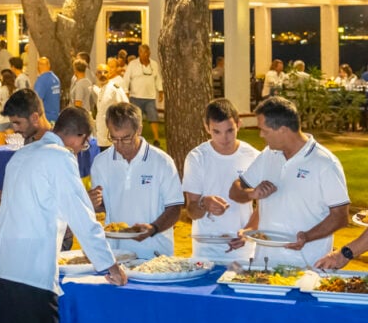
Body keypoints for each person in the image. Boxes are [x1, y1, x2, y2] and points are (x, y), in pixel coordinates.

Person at [0, 106, 127, 323]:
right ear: (78, 136)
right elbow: (82, 216)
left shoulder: (22, 154)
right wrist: (109, 264)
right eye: (84, 144)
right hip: (31, 273)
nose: (82, 149)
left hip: (1, 270)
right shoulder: (60, 158)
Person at [229, 95, 349, 267]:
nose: (261, 135)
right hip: (264, 264)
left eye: (265, 130)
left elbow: (340, 216)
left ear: (283, 130)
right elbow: (235, 190)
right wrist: (252, 194)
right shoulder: (268, 155)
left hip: (308, 266)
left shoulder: (325, 163)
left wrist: (307, 237)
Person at [90, 101, 183, 260]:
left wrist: (154, 228)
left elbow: (174, 207)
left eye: (126, 138)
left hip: (155, 255)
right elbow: (104, 206)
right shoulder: (100, 163)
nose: (119, 146)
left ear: (139, 130)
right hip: (117, 255)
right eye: (114, 138)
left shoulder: (162, 162)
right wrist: (93, 203)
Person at [182, 98, 260, 262]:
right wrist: (204, 203)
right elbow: (192, 210)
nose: (224, 138)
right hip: (205, 252)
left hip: (243, 252)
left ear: (239, 124)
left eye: (230, 130)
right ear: (206, 128)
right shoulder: (197, 158)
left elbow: (264, 207)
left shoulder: (254, 157)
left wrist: (249, 230)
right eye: (217, 132)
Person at [121, 44, 163, 145]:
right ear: (139, 53)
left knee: (153, 117)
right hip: (136, 96)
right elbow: (126, 79)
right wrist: (126, 92)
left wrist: (160, 91)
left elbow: (158, 79)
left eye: (147, 52)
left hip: (150, 97)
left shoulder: (154, 64)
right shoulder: (133, 64)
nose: (146, 55)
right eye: (143, 52)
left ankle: (156, 139)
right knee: (135, 118)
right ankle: (135, 137)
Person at [93, 62, 128, 147]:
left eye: (105, 72)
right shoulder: (102, 89)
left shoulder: (114, 88)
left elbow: (126, 106)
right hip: (102, 132)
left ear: (110, 73)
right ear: (96, 74)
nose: (103, 74)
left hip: (111, 133)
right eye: (100, 72)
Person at [33, 57, 61, 123]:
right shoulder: (56, 78)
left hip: (46, 119)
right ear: (49, 65)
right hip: (55, 117)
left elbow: (36, 100)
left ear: (38, 67)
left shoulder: (41, 80)